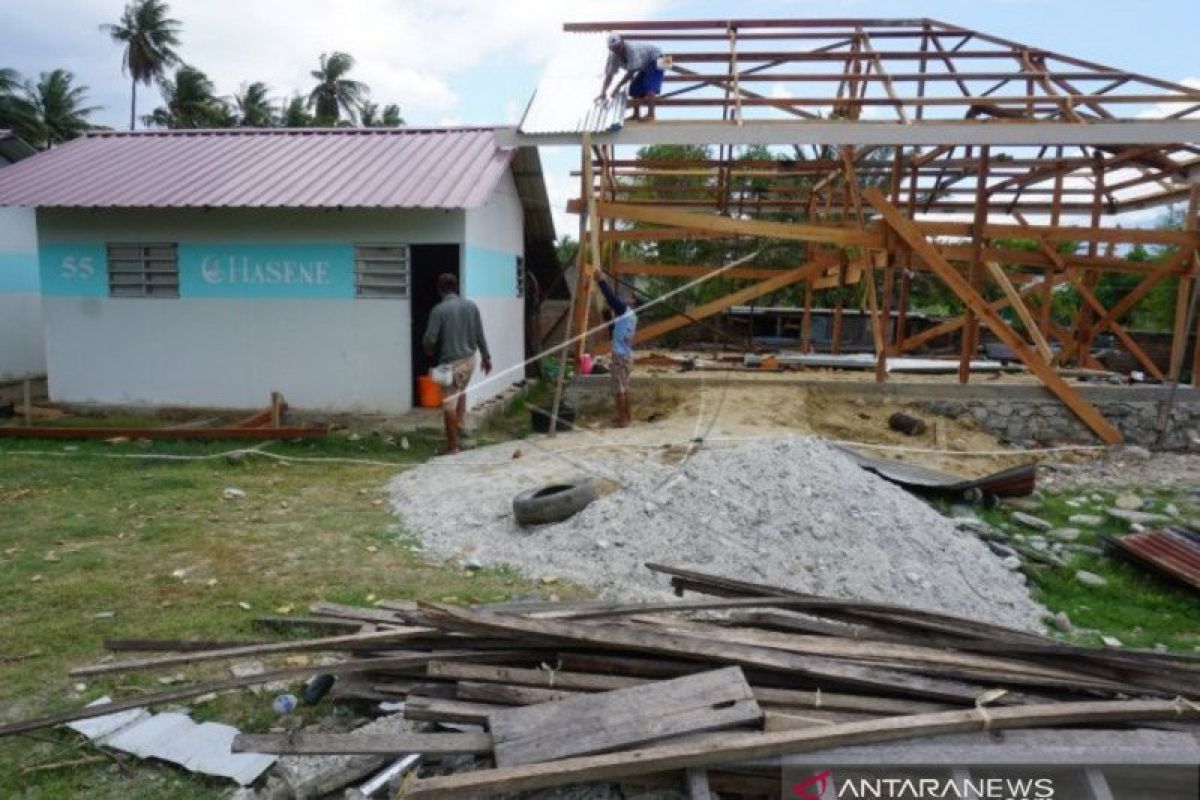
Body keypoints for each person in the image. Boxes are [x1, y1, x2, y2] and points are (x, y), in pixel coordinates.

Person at [423, 273, 492, 454]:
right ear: (456, 287)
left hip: (452, 366)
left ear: (440, 290)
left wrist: (428, 350)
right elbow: (479, 334)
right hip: (471, 361)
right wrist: (487, 357)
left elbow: (429, 339)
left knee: (448, 406)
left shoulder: (439, 310)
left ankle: (453, 447)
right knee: (461, 391)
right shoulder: (471, 306)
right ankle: (459, 426)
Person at [596, 272, 637, 427]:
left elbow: (611, 298)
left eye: (629, 300)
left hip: (620, 356)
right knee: (625, 387)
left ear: (631, 304)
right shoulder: (632, 316)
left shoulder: (625, 312)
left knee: (619, 388)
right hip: (627, 355)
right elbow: (615, 327)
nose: (625, 301)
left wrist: (601, 281)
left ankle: (623, 419)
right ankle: (628, 416)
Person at [596, 32, 663, 122]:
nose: (617, 51)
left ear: (622, 43)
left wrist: (617, 87)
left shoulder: (631, 50)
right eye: (613, 49)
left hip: (661, 59)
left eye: (618, 47)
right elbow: (609, 75)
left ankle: (651, 115)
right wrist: (603, 92)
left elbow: (631, 72)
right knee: (634, 88)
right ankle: (636, 115)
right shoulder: (614, 56)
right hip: (646, 64)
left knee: (649, 85)